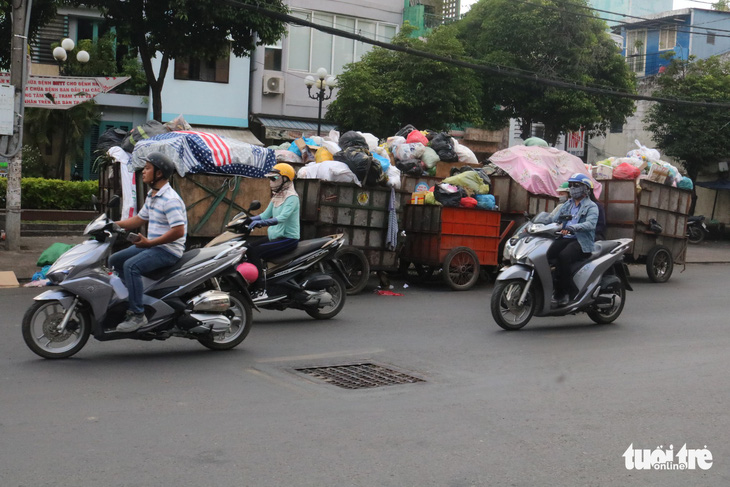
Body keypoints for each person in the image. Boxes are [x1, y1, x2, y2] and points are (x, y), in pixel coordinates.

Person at [109, 152, 187, 332]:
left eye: (147, 168)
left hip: (167, 250)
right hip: (154, 246)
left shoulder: (170, 199)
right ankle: (134, 298)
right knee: (115, 260)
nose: (143, 172)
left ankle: (138, 314)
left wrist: (150, 243)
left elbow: (178, 231)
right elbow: (139, 219)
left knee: (130, 266)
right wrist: (110, 224)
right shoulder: (153, 194)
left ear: (158, 174)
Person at [245, 163, 300, 298]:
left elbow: (282, 218)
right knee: (247, 247)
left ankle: (260, 289)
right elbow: (264, 215)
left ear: (285, 179)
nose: (271, 182)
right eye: (270, 179)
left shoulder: (292, 197)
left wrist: (261, 223)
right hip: (275, 236)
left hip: (288, 238)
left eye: (274, 178)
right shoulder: (277, 196)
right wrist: (248, 220)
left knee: (255, 252)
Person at [548, 173, 598, 306]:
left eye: (576, 185)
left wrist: (573, 228)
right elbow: (554, 219)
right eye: (571, 185)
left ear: (586, 189)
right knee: (546, 254)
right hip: (565, 238)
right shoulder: (567, 205)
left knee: (563, 257)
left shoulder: (591, 206)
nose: (572, 188)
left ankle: (563, 293)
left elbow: (590, 224)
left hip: (581, 242)